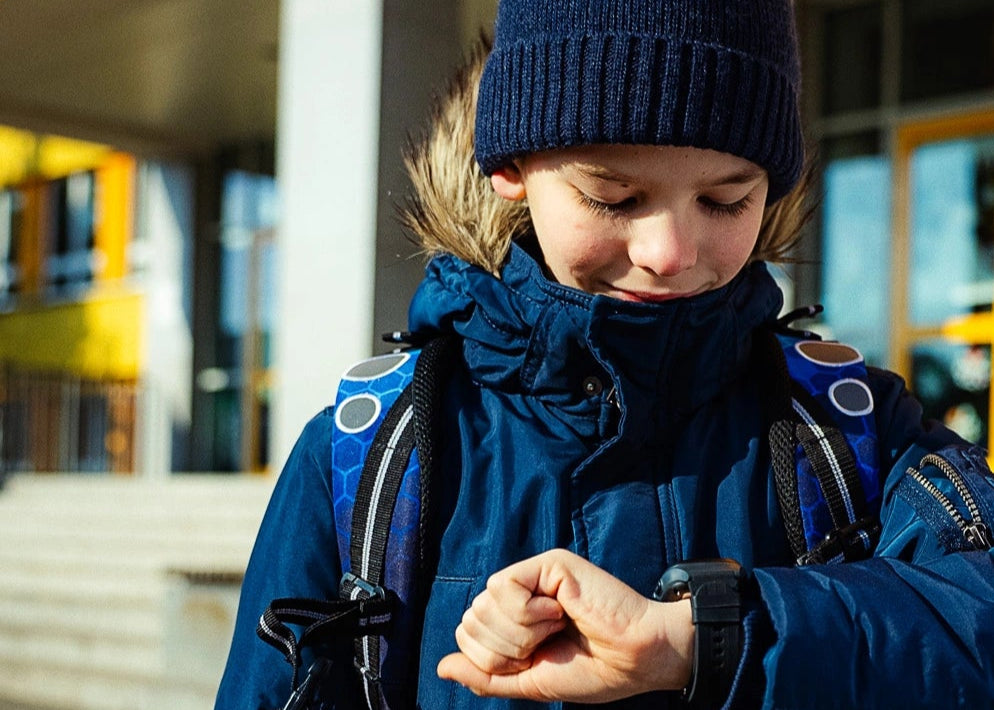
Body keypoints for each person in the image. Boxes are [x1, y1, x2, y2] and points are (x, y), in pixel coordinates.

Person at [215, 0, 994, 708]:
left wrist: (704, 640)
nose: (669, 250)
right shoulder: (366, 459)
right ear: (508, 167)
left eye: (727, 199)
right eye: (613, 197)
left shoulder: (850, 431)